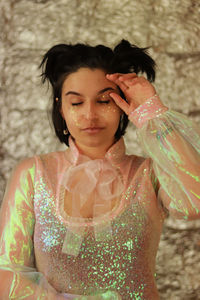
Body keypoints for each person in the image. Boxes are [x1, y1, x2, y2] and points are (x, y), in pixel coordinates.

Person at [0, 39, 199, 300]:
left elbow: (195, 202)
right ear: (61, 107)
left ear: (122, 105)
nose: (90, 115)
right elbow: (6, 272)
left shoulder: (149, 174)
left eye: (104, 101)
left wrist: (152, 113)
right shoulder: (33, 174)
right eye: (76, 103)